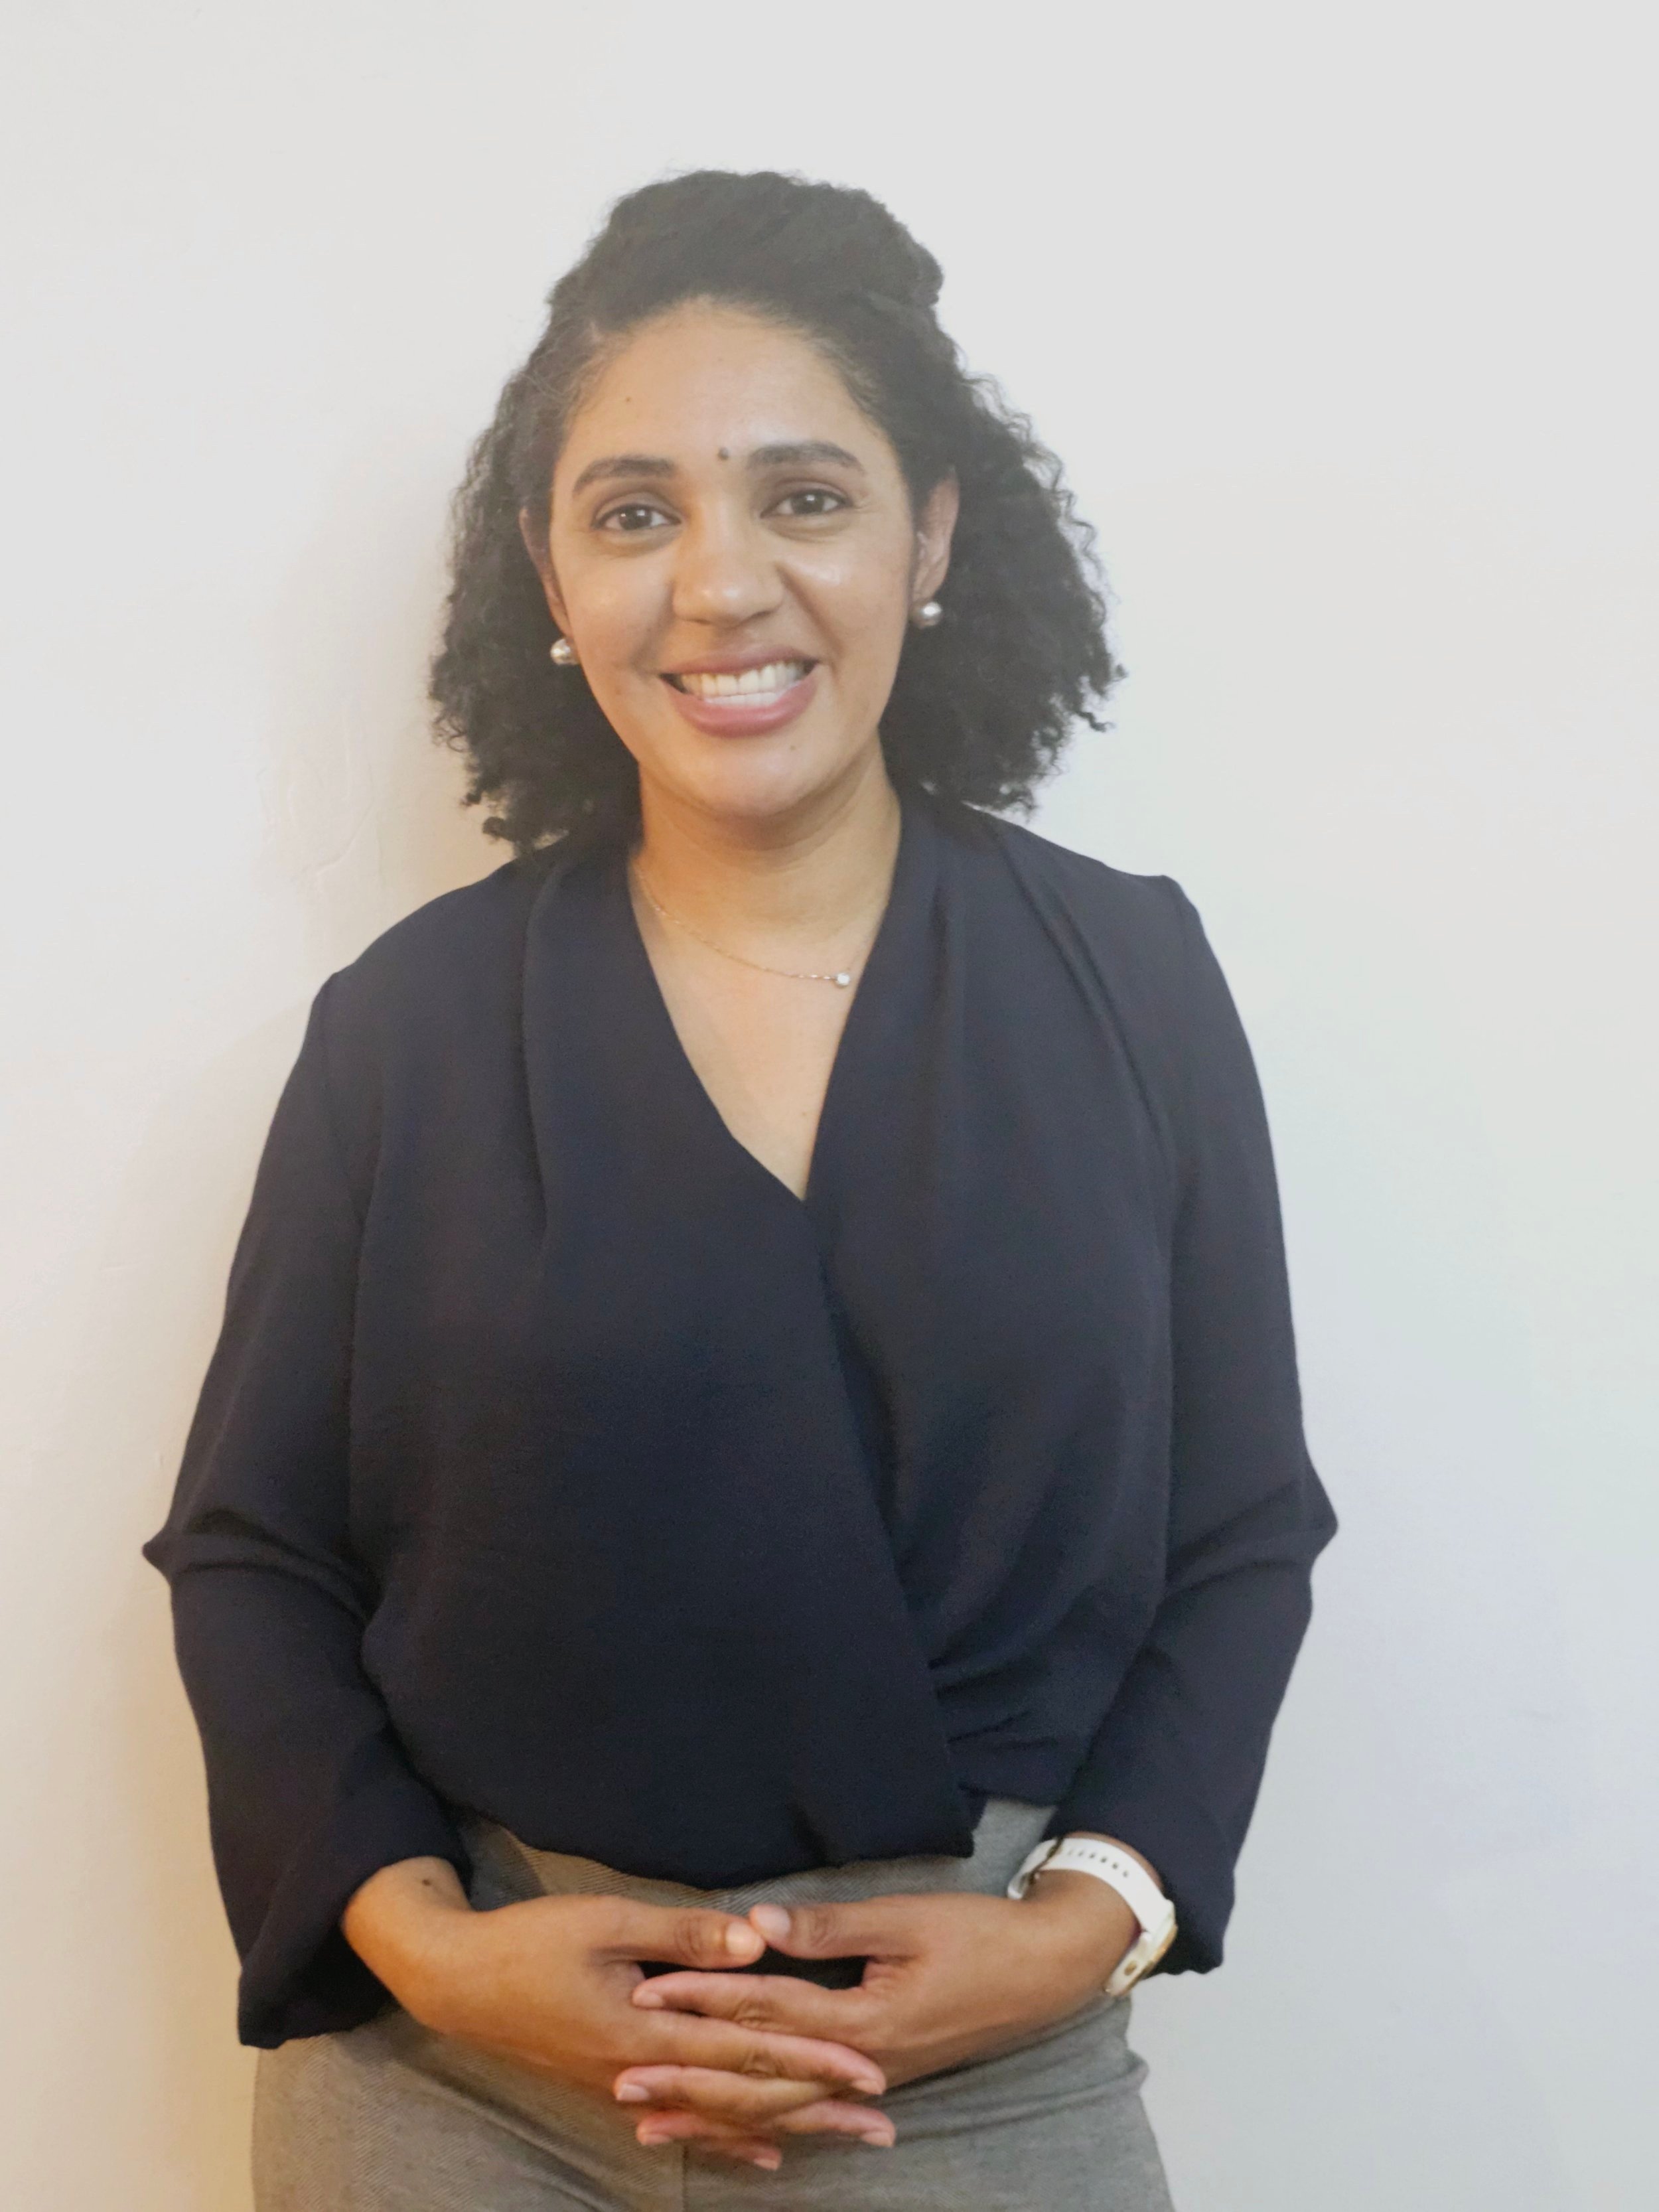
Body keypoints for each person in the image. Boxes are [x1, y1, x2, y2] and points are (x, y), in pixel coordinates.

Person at [142, 168, 1338, 2210]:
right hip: (463, 2087)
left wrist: (1087, 1920)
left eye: (802, 497)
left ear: (931, 533)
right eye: (634, 513)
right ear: (549, 569)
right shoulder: (410, 1026)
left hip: (972, 2070)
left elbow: (1238, 1525)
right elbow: (255, 1550)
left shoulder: (1128, 976)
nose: (717, 586)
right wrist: (428, 1944)